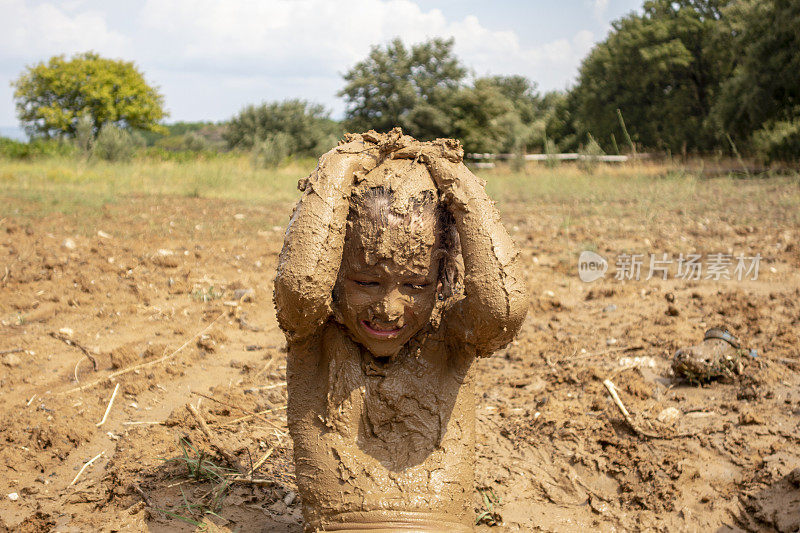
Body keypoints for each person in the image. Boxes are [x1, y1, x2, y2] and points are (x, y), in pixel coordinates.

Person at [274, 129, 527, 532]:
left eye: (416, 286)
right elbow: (300, 287)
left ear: (444, 280)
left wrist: (455, 175)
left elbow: (503, 311)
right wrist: (343, 162)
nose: (389, 310)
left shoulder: (448, 338)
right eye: (366, 282)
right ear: (334, 272)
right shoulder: (315, 336)